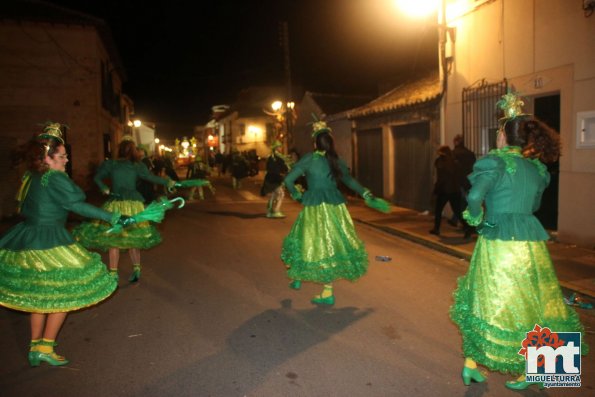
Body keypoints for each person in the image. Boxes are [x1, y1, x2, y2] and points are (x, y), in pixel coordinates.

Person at [449, 93, 588, 390]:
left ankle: (471, 365)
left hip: (499, 244)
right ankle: (534, 372)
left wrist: (476, 219)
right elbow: (535, 206)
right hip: (531, 245)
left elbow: (474, 197)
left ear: (502, 135)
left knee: (488, 301)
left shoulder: (496, 163)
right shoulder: (536, 169)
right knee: (537, 304)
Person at [0, 122, 125, 367]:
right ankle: (46, 346)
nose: (66, 161)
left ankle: (35, 347)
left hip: (27, 237)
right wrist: (111, 217)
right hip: (50, 240)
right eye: (62, 156)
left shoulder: (31, 176)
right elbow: (76, 206)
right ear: (47, 158)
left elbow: (24, 207)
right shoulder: (54, 178)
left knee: (39, 297)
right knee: (62, 294)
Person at [281, 120, 381, 305]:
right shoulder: (335, 160)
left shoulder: (309, 159)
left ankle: (309, 282)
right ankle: (313, 285)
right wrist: (365, 192)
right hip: (336, 209)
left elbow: (288, 180)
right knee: (332, 246)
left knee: (308, 242)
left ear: (314, 143)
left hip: (315, 210)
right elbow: (349, 181)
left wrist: (297, 195)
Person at [72, 137, 175, 282]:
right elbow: (151, 177)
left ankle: (115, 273)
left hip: (116, 204)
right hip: (132, 205)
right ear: (133, 151)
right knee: (133, 239)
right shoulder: (133, 165)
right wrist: (168, 181)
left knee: (115, 240)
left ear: (119, 150)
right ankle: (134, 270)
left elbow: (97, 178)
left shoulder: (113, 164)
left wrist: (103, 187)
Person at [429, 145, 460, 236]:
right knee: (457, 210)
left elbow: (440, 178)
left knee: (438, 210)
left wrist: (436, 189)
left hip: (444, 190)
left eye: (439, 152)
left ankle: (436, 229)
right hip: (454, 190)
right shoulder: (455, 161)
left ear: (442, 152)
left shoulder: (440, 161)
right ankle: (468, 228)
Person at [452, 134, 477, 238]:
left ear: (456, 142)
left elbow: (453, 169)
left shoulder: (454, 154)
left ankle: (468, 226)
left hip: (459, 182)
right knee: (467, 203)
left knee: (461, 205)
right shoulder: (470, 153)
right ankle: (465, 223)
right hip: (470, 181)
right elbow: (474, 167)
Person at [260, 140, 289, 218]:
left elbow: (269, 168)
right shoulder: (279, 157)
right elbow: (284, 168)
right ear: (276, 147)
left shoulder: (270, 157)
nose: (281, 147)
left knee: (274, 194)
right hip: (276, 179)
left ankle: (270, 210)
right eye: (279, 146)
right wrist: (285, 170)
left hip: (270, 178)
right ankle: (276, 210)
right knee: (281, 194)